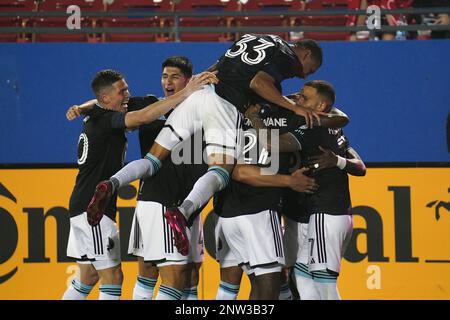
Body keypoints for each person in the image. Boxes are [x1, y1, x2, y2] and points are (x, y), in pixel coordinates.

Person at [87, 34, 325, 257]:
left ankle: (111, 183)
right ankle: (182, 212)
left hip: (199, 93)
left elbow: (220, 65)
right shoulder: (287, 57)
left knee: (153, 160)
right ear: (304, 55)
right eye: (309, 69)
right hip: (224, 104)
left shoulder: (255, 38)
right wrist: (296, 108)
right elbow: (258, 81)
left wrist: (201, 77)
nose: (304, 75)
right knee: (220, 171)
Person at [62, 68, 215, 300]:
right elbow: (142, 117)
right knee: (112, 278)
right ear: (106, 98)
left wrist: (82, 106)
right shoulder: (106, 120)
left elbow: (99, 102)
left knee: (88, 277)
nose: (127, 95)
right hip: (93, 209)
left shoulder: (96, 114)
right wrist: (185, 94)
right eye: (122, 91)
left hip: (82, 204)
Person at [250, 80, 367, 300]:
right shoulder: (334, 124)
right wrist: (339, 161)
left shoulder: (313, 128)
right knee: (303, 275)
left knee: (324, 283)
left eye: (305, 98)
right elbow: (360, 166)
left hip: (326, 213)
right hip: (325, 213)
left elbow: (271, 144)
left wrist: (254, 117)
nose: (298, 100)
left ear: (321, 107)